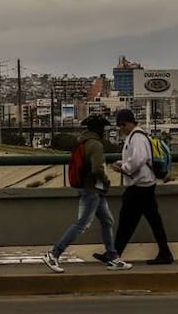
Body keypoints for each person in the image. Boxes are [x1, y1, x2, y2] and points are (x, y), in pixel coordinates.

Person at [40, 115, 132, 272]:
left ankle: (112, 257)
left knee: (107, 221)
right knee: (82, 223)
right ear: (99, 129)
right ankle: (54, 254)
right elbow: (97, 168)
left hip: (88, 188)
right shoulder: (95, 145)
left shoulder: (81, 142)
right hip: (92, 190)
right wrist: (106, 180)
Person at [103, 108, 173, 265]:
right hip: (144, 185)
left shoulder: (137, 138)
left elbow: (139, 159)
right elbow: (136, 158)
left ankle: (114, 253)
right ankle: (164, 252)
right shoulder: (137, 136)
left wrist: (123, 168)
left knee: (128, 220)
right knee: (146, 221)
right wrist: (123, 164)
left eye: (121, 126)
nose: (121, 129)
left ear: (127, 123)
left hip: (140, 186)